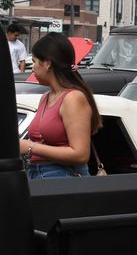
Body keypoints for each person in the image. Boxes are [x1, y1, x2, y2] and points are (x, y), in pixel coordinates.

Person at [19, 32, 102, 180]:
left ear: (48, 63)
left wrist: (31, 147)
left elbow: (80, 154)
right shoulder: (46, 97)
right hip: (37, 174)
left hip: (62, 177)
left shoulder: (73, 98)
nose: (32, 68)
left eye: (34, 61)